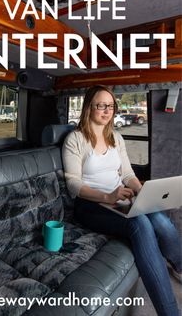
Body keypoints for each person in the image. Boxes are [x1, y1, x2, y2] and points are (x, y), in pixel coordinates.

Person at [62, 85, 182, 316]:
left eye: (110, 105)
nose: (107, 111)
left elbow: (127, 174)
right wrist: (108, 196)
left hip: (118, 199)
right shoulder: (75, 139)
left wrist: (141, 191)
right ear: (89, 107)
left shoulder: (116, 137)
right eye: (101, 105)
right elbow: (73, 184)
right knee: (141, 224)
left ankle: (179, 265)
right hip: (90, 205)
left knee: (157, 215)